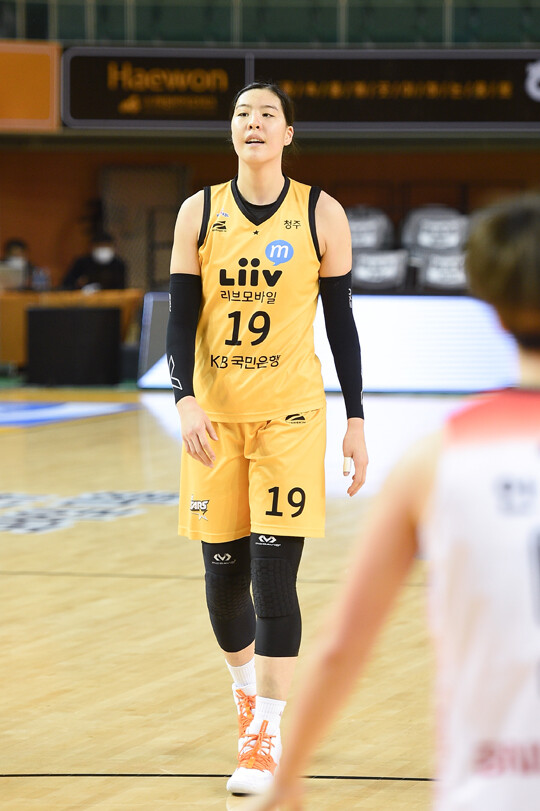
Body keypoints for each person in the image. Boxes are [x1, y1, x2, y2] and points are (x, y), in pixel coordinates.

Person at [244, 193, 540, 811]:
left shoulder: (434, 459)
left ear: (490, 303)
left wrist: (288, 776)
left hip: (491, 791)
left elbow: (343, 645)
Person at [166, 81, 368, 796]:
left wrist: (355, 418)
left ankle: (267, 735)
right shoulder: (199, 212)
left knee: (273, 576)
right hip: (215, 423)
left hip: (290, 420)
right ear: (232, 132)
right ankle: (247, 695)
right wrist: (184, 399)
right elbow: (179, 318)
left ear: (288, 134)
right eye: (242, 114)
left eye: (267, 115)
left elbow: (341, 325)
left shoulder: (322, 213)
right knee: (223, 583)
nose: (253, 123)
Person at [62, 232, 126, 290]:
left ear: (113, 247)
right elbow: (67, 284)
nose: (103, 249)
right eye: (100, 246)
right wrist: (78, 284)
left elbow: (121, 288)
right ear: (92, 247)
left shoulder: (118, 264)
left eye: (106, 246)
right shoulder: (81, 263)